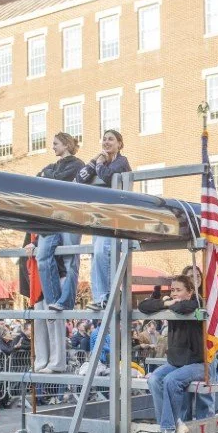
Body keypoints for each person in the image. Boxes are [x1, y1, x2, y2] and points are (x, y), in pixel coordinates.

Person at [140, 277, 208, 433]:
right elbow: (144, 307)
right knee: (154, 379)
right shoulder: (172, 302)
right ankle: (176, 423)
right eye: (172, 290)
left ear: (190, 291)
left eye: (178, 290)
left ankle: (168, 432)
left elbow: (184, 307)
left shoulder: (195, 303)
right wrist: (167, 301)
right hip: (176, 362)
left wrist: (169, 304)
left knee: (171, 380)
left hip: (199, 364)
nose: (174, 293)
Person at [77, 129, 133, 310]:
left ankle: (108, 296)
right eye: (104, 139)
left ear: (119, 144)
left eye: (111, 139)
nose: (107, 142)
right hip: (98, 216)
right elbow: (79, 179)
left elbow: (109, 177)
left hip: (115, 215)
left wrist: (100, 164)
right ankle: (100, 296)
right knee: (97, 254)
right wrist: (94, 160)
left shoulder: (121, 161)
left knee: (104, 252)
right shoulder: (99, 161)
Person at [34, 132, 87, 313]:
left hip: (70, 217)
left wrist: (46, 176)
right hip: (51, 218)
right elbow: (38, 177)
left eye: (56, 143)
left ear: (65, 144)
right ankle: (53, 300)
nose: (53, 146)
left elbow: (55, 180)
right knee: (42, 256)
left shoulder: (77, 164)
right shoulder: (53, 166)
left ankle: (65, 301)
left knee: (70, 258)